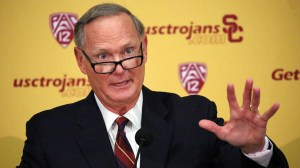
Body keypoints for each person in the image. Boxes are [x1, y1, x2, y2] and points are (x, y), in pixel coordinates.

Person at [18, 3, 288, 168]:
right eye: (103, 57)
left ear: (144, 48)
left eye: (128, 51)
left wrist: (254, 150)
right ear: (81, 60)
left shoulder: (194, 118)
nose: (120, 68)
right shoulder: (49, 131)